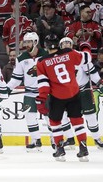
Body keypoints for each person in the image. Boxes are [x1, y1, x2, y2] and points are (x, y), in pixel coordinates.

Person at [36, 34, 92, 162]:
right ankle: (83, 148)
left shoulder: (41, 61)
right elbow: (87, 58)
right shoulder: (70, 53)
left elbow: (43, 84)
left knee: (55, 122)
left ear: (46, 46)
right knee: (77, 121)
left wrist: (41, 99)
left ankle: (60, 149)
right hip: (74, 93)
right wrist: (85, 46)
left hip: (57, 96)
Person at [6, 32, 48, 152]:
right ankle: (36, 141)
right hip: (29, 93)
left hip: (45, 92)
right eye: (25, 42)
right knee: (29, 116)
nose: (26, 44)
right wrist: (7, 88)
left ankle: (55, 140)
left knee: (49, 117)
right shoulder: (21, 58)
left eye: (29, 42)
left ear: (35, 42)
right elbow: (16, 79)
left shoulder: (46, 55)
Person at [58, 37, 103, 150]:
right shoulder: (56, 58)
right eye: (64, 43)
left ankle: (97, 139)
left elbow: (92, 72)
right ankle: (70, 138)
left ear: (72, 45)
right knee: (62, 115)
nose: (66, 44)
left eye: (69, 43)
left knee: (91, 117)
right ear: (60, 46)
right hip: (67, 92)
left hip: (84, 90)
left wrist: (100, 83)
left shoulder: (80, 56)